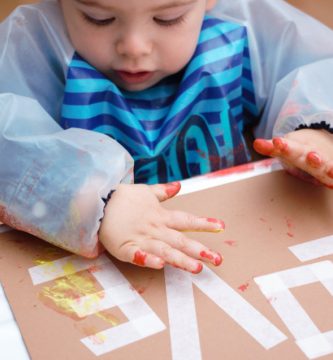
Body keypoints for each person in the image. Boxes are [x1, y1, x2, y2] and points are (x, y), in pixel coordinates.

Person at [0, 0, 332, 273]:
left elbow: (316, 66)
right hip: (99, 272)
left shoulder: (240, 26)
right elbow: (7, 141)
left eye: (168, 18)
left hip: (240, 236)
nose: (134, 46)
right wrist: (98, 200)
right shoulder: (36, 42)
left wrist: (317, 127)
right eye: (97, 18)